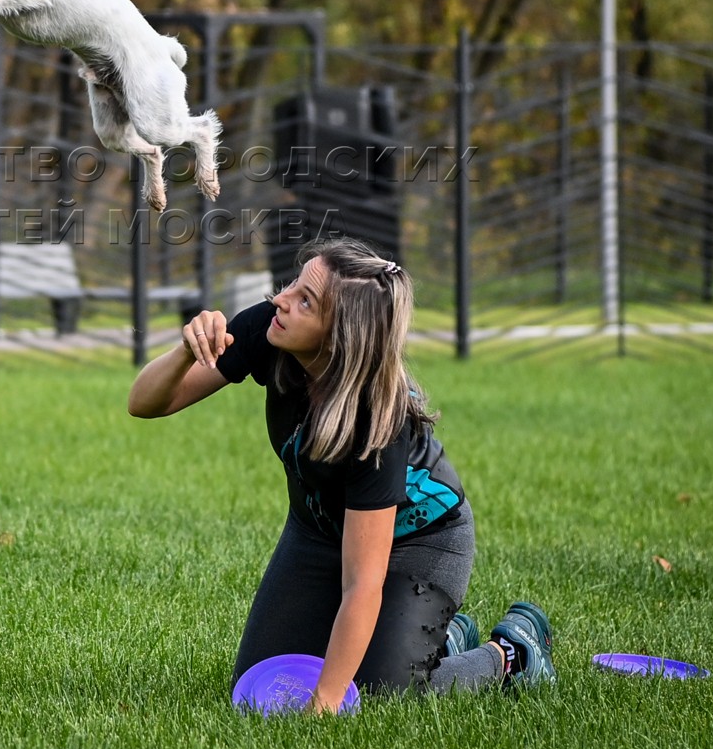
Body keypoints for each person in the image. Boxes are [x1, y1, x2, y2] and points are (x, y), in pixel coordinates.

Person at [127, 235, 556, 713]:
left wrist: (325, 704)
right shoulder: (270, 329)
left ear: (339, 335)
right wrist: (187, 350)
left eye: (305, 300)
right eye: (294, 283)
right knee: (257, 680)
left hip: (418, 544)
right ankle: (438, 637)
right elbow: (145, 404)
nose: (281, 299)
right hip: (317, 532)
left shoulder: (376, 425)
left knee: (378, 691)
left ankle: (511, 655)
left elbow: (362, 586)